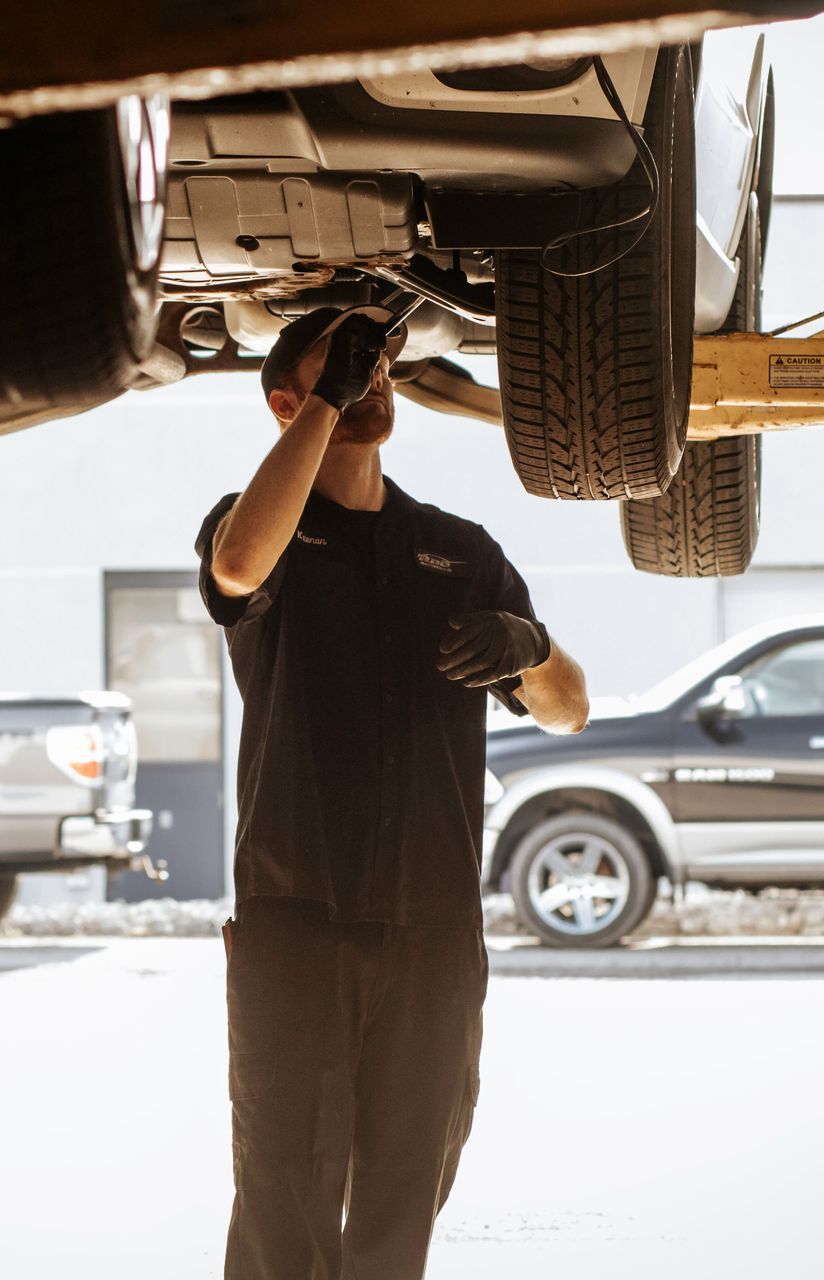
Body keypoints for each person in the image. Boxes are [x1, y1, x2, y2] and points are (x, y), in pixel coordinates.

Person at [198, 306, 591, 1277]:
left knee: (402, 1196)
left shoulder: (456, 551)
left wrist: (530, 647)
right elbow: (238, 564)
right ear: (290, 400)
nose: (372, 385)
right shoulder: (263, 532)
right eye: (344, 373)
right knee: (283, 1193)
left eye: (377, 371)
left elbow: (569, 707)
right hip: (298, 922)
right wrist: (331, 399)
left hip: (431, 932)